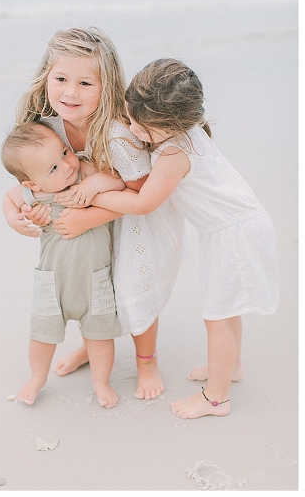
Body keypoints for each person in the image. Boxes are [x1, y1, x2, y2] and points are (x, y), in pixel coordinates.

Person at [3, 27, 187, 400]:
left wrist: (89, 216)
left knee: (133, 287)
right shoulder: (45, 126)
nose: (70, 92)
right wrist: (21, 213)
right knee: (96, 292)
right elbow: (30, 182)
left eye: (86, 83)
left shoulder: (117, 131)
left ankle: (146, 361)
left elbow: (139, 193)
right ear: (46, 77)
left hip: (133, 219)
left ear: (108, 86)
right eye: (61, 79)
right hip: (88, 234)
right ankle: (90, 347)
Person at [89, 58, 279, 418]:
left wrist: (94, 195)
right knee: (228, 308)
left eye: (142, 128)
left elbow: (144, 203)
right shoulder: (185, 133)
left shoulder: (175, 153)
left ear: (172, 124)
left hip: (233, 236)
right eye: (130, 119)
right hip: (231, 230)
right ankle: (231, 368)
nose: (133, 130)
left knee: (217, 317)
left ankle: (216, 399)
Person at [2, 122, 126, 407]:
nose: (67, 166)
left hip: (95, 279)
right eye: (54, 169)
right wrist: (14, 220)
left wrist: (93, 184)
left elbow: (117, 182)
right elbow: (9, 198)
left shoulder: (84, 170)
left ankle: (101, 382)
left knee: (100, 336)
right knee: (42, 335)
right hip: (52, 282)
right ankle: (37, 378)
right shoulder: (35, 196)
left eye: (65, 153)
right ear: (32, 184)